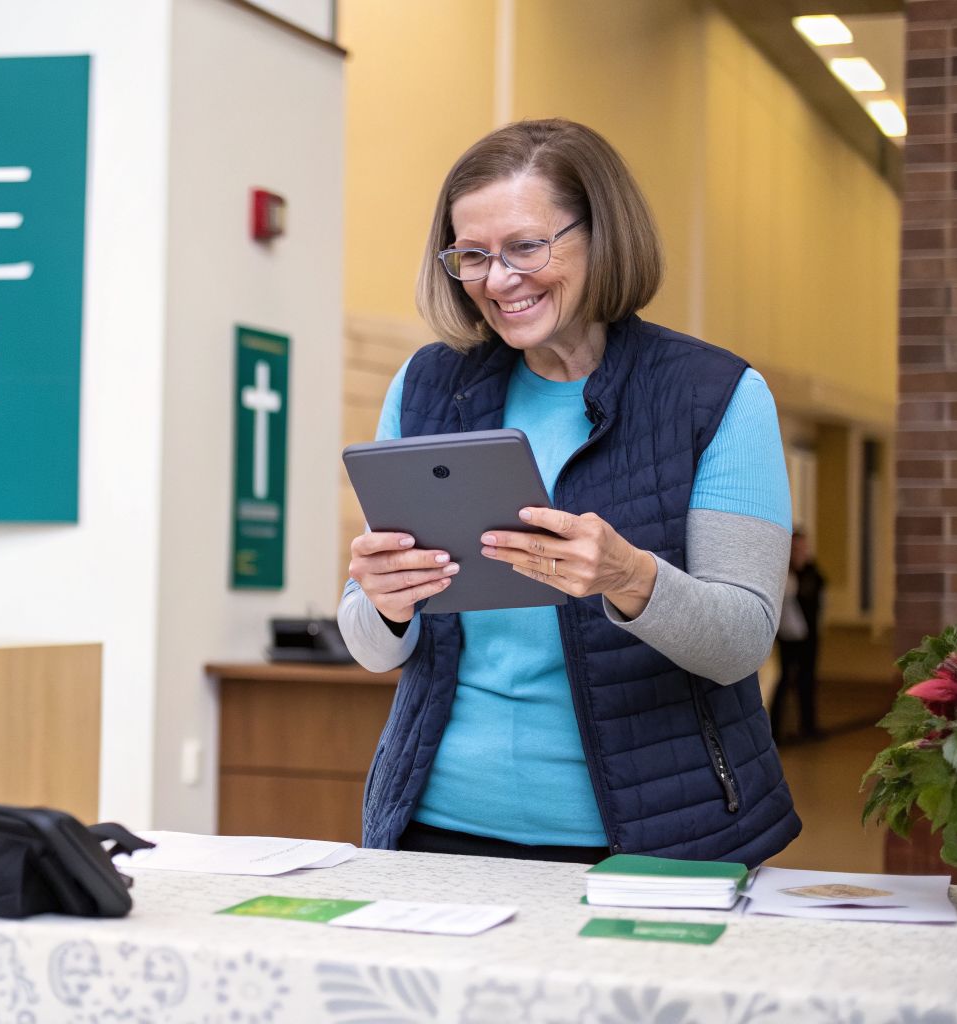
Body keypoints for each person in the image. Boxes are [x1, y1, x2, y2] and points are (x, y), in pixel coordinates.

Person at [338, 119, 799, 866]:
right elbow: (370, 646)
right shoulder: (426, 388)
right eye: (473, 256)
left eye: (526, 246)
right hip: (437, 828)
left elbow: (740, 642)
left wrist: (632, 579)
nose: (497, 279)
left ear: (602, 234)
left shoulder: (716, 395)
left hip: (656, 841)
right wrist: (385, 603)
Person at [773, 531, 826, 742]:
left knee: (807, 680)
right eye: (795, 548)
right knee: (784, 680)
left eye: (802, 548)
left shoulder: (812, 573)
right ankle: (775, 729)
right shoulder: (784, 574)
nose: (799, 552)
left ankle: (808, 725)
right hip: (787, 637)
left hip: (808, 636)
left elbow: (819, 598)